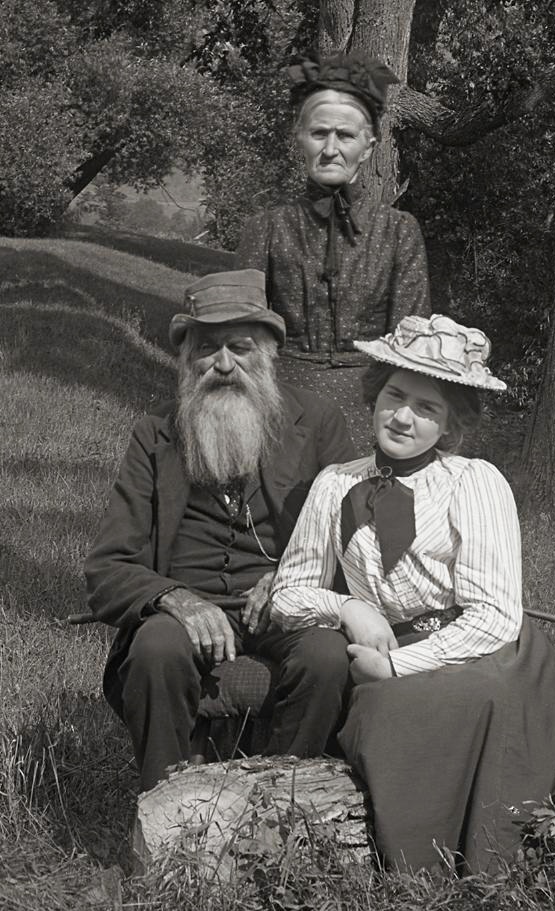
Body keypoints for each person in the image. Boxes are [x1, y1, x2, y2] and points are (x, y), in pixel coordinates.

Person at [266, 314, 555, 873]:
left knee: (476, 694)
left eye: (426, 408)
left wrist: (397, 666)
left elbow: (494, 616)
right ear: (374, 393)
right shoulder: (335, 484)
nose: (402, 416)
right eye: (394, 395)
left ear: (450, 426)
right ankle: (412, 852)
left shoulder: (474, 482)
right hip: (385, 648)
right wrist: (347, 604)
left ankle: (495, 847)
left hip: (487, 651)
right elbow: (287, 594)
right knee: (386, 713)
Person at [84, 269, 356, 792]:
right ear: (187, 358)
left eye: (241, 347)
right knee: (156, 647)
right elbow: (107, 565)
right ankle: (166, 807)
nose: (224, 365)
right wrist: (175, 599)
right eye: (208, 349)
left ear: (270, 351)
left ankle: (284, 800)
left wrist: (289, 581)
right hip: (182, 611)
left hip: (288, 605)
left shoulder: (318, 423)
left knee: (325, 656)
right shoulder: (156, 433)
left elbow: (351, 542)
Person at [235, 50, 431, 449]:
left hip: (371, 410)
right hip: (279, 405)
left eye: (345, 135)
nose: (330, 148)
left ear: (369, 146)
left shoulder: (399, 232)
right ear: (300, 138)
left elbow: (410, 350)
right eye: (319, 133)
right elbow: (241, 339)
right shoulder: (266, 229)